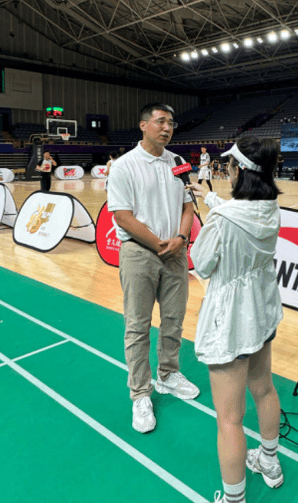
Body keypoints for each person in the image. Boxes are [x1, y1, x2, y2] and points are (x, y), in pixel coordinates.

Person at [187, 137, 284, 503]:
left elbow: (203, 264)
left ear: (240, 171)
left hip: (230, 320)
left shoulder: (225, 220)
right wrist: (212, 203)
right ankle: (270, 462)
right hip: (262, 311)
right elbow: (239, 215)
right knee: (263, 388)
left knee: (228, 418)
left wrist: (209, 217)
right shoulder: (270, 208)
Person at [106, 102, 199, 434]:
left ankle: (169, 374)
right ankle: (140, 393)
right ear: (143, 125)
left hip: (175, 250)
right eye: (161, 121)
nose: (167, 127)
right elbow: (122, 216)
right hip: (139, 253)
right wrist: (160, 244)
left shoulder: (177, 162)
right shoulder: (124, 166)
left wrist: (180, 237)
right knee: (138, 326)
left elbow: (189, 205)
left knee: (174, 318)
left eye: (171, 123)